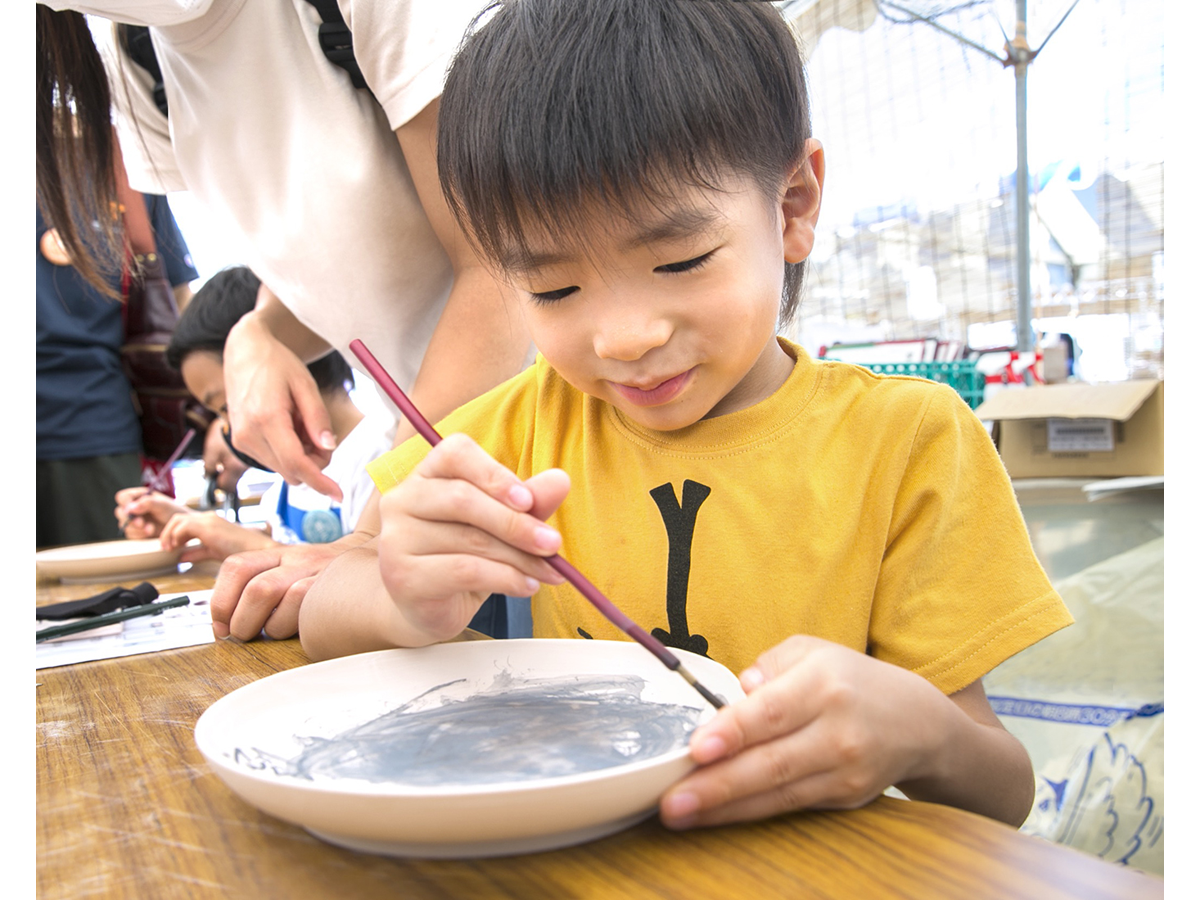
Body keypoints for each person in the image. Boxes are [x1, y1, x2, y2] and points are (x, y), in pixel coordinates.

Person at [299, 0, 1074, 832]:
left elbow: (1002, 790)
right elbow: (326, 602)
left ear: (793, 206)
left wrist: (926, 739)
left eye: (680, 260)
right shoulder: (517, 426)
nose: (627, 338)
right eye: (554, 289)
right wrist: (398, 598)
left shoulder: (909, 441)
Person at [35, 4, 531, 639]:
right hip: (427, 468)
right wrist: (260, 328)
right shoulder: (130, 41)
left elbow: (503, 267)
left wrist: (371, 535)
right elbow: (323, 247)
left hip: (547, 436)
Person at [114, 266, 395, 565]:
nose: (230, 431)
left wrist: (243, 542)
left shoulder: (383, 457)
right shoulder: (292, 471)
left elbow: (367, 575)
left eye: (227, 407)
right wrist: (190, 523)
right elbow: (289, 546)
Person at [36, 192, 198, 548]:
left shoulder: (120, 169)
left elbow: (182, 313)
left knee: (111, 596)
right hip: (91, 425)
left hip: (92, 429)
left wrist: (220, 414)